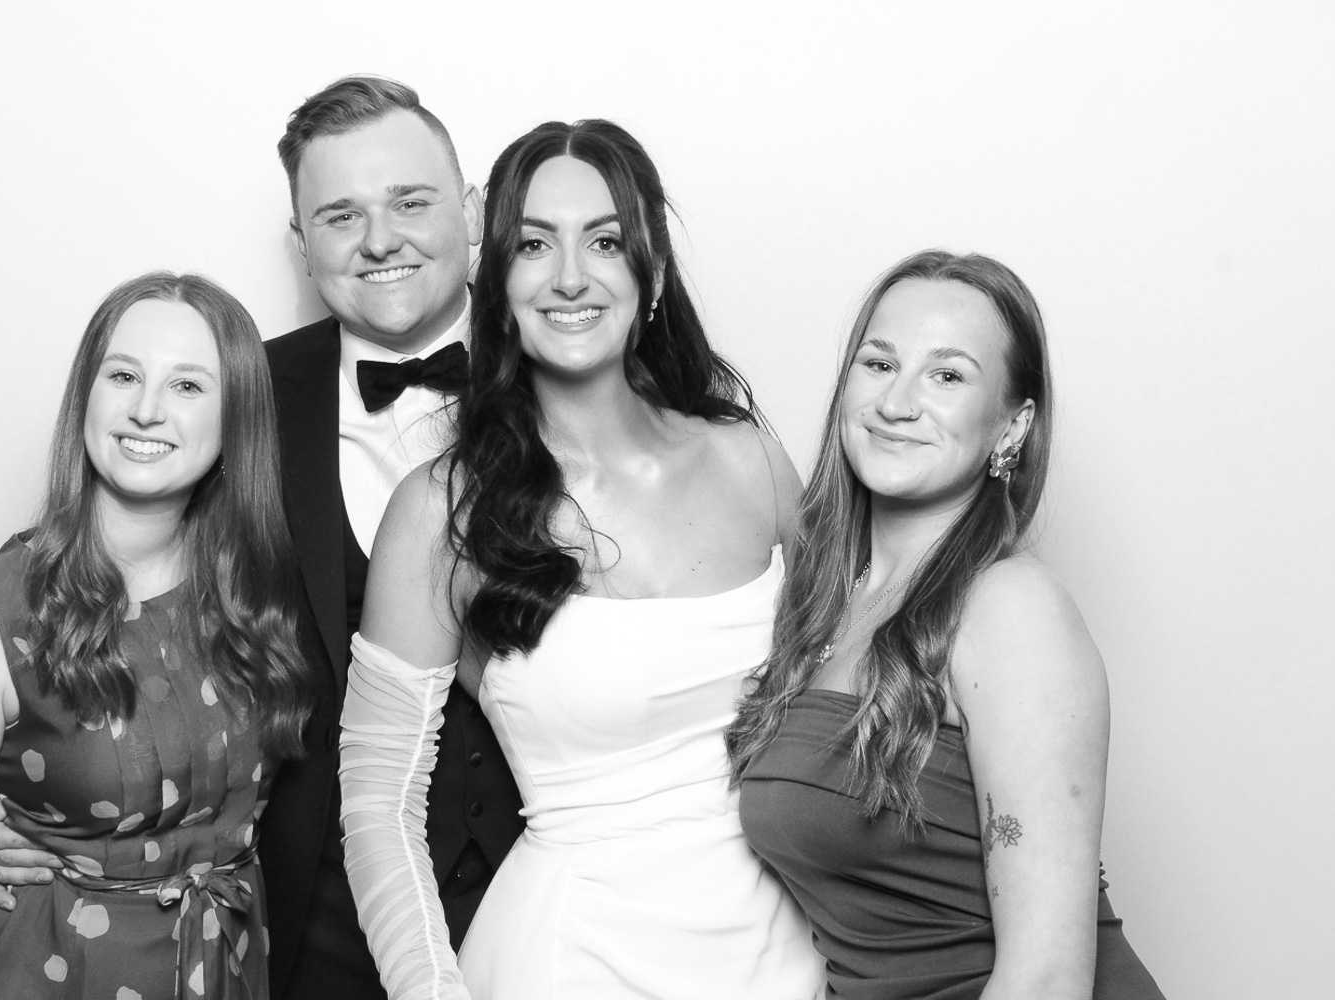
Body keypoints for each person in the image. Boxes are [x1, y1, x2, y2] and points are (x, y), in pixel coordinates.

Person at [0, 77, 524, 1000]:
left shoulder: (574, 366)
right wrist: (3, 789)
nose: (380, 239)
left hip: (549, 886)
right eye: (341, 214)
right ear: (301, 247)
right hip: (315, 913)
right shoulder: (244, 394)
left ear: (472, 214)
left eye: (411, 201)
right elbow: (84, 557)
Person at [339, 119, 823, 1000]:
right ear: (500, 279)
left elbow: (861, 680)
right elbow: (377, 806)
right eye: (534, 244)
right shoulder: (439, 511)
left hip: (788, 956)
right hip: (569, 962)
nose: (570, 276)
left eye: (605, 240)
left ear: (655, 274)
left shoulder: (749, 459)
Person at [726, 250, 1164, 999]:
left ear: (1012, 426)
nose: (898, 402)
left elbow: (1049, 975)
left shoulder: (1009, 609)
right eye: (878, 362)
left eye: (948, 375)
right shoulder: (823, 603)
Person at [0, 272, 313, 999]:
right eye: (123, 375)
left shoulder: (258, 592)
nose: (146, 410)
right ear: (86, 395)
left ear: (235, 417)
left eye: (188, 386)